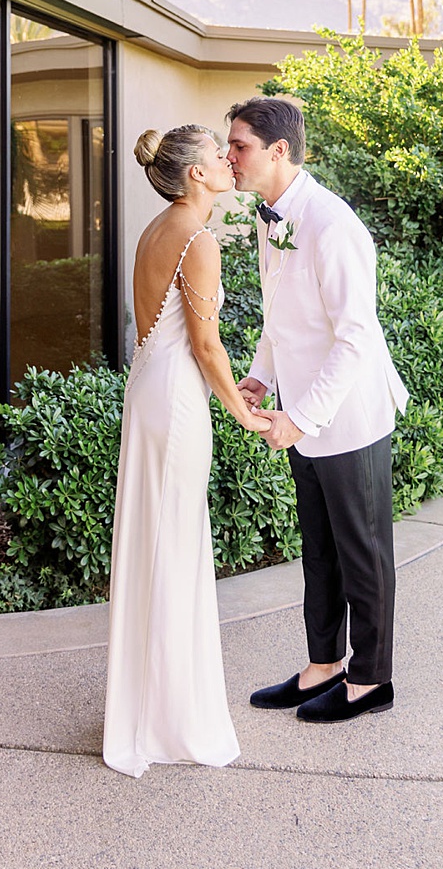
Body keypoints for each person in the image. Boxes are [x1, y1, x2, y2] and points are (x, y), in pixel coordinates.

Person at [227, 96, 409, 724]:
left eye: (239, 146)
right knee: (320, 550)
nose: (229, 157)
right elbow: (279, 313)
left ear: (278, 151)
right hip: (297, 413)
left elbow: (355, 338)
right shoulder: (272, 218)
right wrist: (260, 375)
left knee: (363, 552)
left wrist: (301, 418)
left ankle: (371, 680)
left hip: (347, 416)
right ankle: (324, 665)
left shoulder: (333, 225)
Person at [104, 125, 274, 778]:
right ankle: (172, 719)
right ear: (196, 175)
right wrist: (245, 414)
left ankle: (147, 711)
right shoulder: (197, 239)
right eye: (217, 155)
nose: (230, 161)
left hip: (148, 391)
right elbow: (206, 346)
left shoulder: (155, 229)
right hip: (175, 403)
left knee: (156, 545)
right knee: (174, 546)